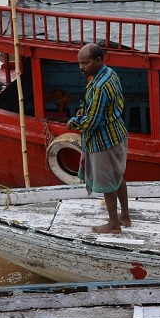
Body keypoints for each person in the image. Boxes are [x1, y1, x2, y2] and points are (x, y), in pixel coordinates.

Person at [66, 43, 131, 233]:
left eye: (85, 63)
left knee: (107, 183)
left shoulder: (99, 87)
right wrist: (84, 111)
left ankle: (113, 224)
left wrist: (74, 122)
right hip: (116, 133)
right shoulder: (110, 73)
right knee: (117, 177)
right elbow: (109, 107)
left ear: (98, 60)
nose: (81, 67)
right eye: (79, 63)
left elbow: (92, 122)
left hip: (103, 140)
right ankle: (124, 216)